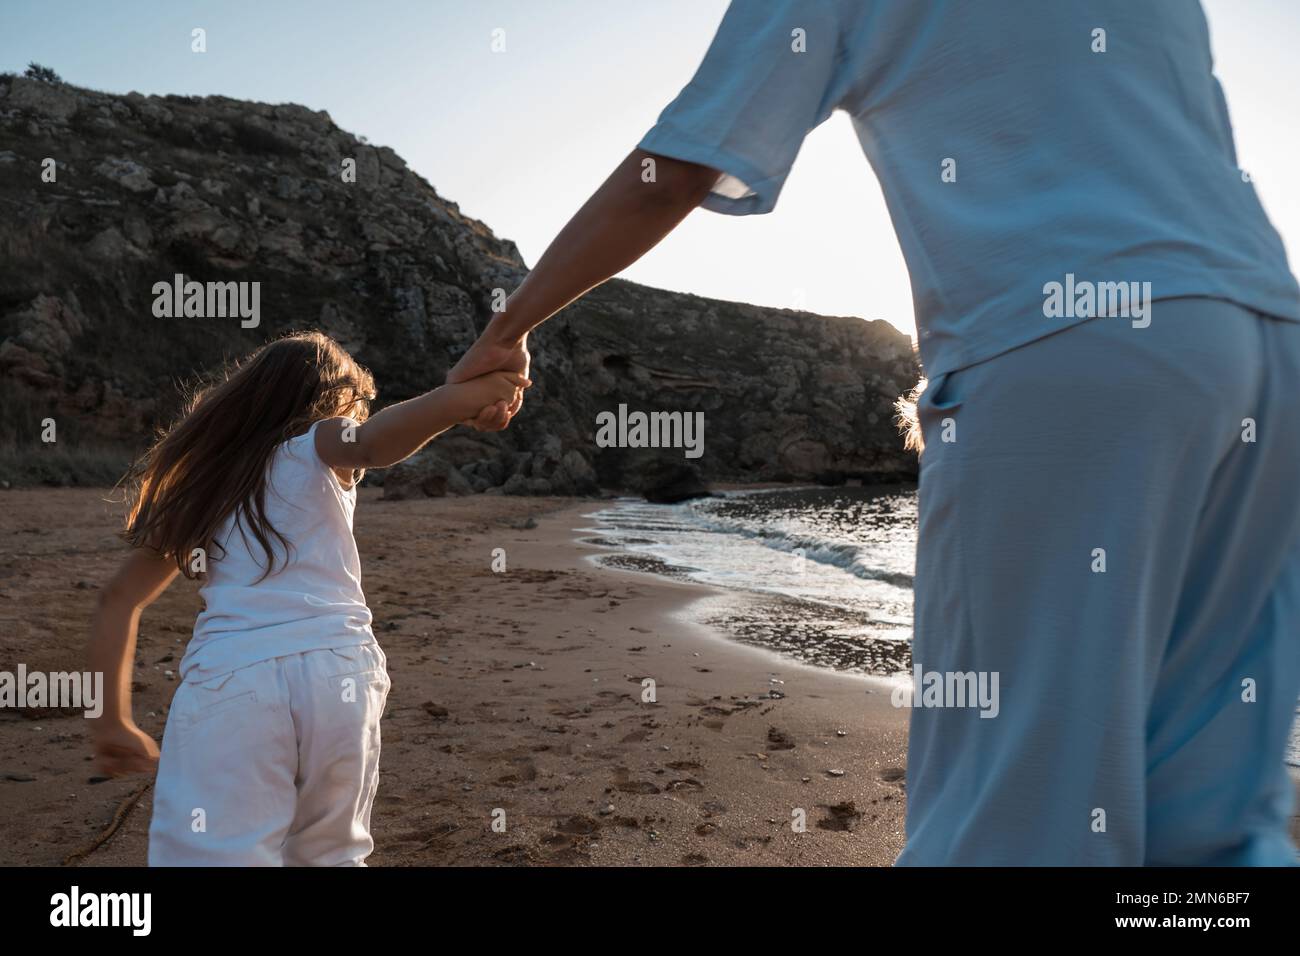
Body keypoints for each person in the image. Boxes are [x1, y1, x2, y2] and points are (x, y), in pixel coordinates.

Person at [449, 0, 1300, 865]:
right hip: (1266, 342)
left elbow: (670, 174)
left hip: (1065, 345)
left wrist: (506, 326)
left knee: (1015, 812)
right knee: (1215, 825)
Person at [89, 331, 527, 865]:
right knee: (330, 853)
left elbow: (119, 601)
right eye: (354, 404)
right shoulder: (318, 444)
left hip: (234, 680)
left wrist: (111, 718)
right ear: (329, 401)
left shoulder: (202, 486)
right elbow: (371, 443)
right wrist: (465, 399)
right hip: (340, 673)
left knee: (212, 853)